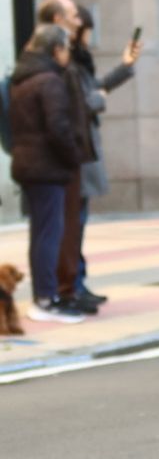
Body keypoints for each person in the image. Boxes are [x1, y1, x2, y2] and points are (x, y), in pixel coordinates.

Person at [7, 23, 85, 323]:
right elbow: (58, 128)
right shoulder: (50, 81)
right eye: (66, 47)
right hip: (47, 167)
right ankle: (46, 299)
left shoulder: (22, 78)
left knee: (41, 233)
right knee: (49, 234)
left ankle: (44, 296)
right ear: (56, 50)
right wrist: (73, 157)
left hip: (27, 163)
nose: (68, 54)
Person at [64, 4, 139, 312]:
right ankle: (71, 286)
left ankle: (78, 282)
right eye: (87, 29)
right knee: (72, 224)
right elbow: (83, 100)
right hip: (76, 153)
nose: (89, 38)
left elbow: (93, 90)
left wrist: (124, 67)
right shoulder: (65, 63)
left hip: (84, 150)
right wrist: (98, 100)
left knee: (78, 222)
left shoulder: (77, 62)